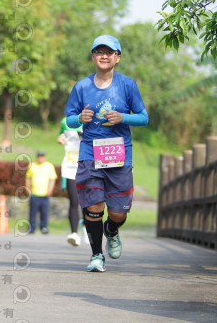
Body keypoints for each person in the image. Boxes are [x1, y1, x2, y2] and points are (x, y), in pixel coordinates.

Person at [64, 34, 148, 272]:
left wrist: (123, 117)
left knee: (118, 212)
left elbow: (143, 117)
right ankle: (96, 255)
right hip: (90, 151)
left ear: (117, 57)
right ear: (93, 56)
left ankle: (111, 230)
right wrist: (79, 118)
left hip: (119, 153)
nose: (103, 56)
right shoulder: (81, 86)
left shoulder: (127, 85)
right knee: (93, 206)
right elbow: (69, 120)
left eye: (109, 52)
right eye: (99, 52)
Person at [57, 116, 84, 246]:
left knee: (88, 201)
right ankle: (74, 233)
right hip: (70, 167)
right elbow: (61, 133)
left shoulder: (93, 118)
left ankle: (86, 225)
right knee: (74, 201)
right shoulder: (65, 121)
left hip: (87, 167)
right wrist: (60, 137)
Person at [25, 151, 57, 234]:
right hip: (34, 193)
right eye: (39, 156)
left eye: (42, 156)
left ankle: (44, 227)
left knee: (44, 212)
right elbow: (28, 177)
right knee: (32, 212)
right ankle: (32, 227)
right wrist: (28, 188)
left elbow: (52, 179)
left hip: (44, 193)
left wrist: (50, 190)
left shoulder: (49, 166)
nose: (40, 158)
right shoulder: (33, 165)